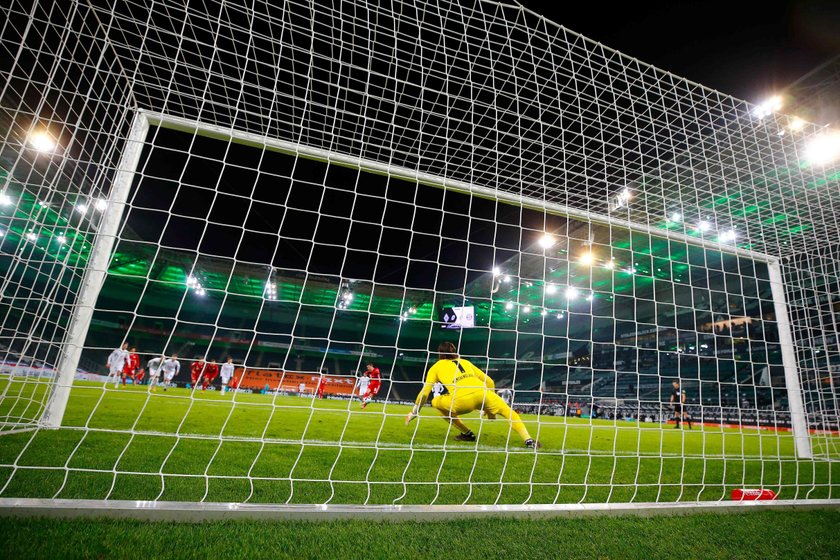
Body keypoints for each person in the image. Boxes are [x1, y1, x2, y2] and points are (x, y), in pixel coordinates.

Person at [405, 342, 540, 448]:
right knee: (510, 413)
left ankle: (467, 433)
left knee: (436, 403)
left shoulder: (436, 367)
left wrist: (414, 412)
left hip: (461, 401)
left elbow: (424, 393)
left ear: (439, 353)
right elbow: (489, 381)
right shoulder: (465, 362)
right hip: (483, 393)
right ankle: (529, 440)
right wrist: (489, 409)